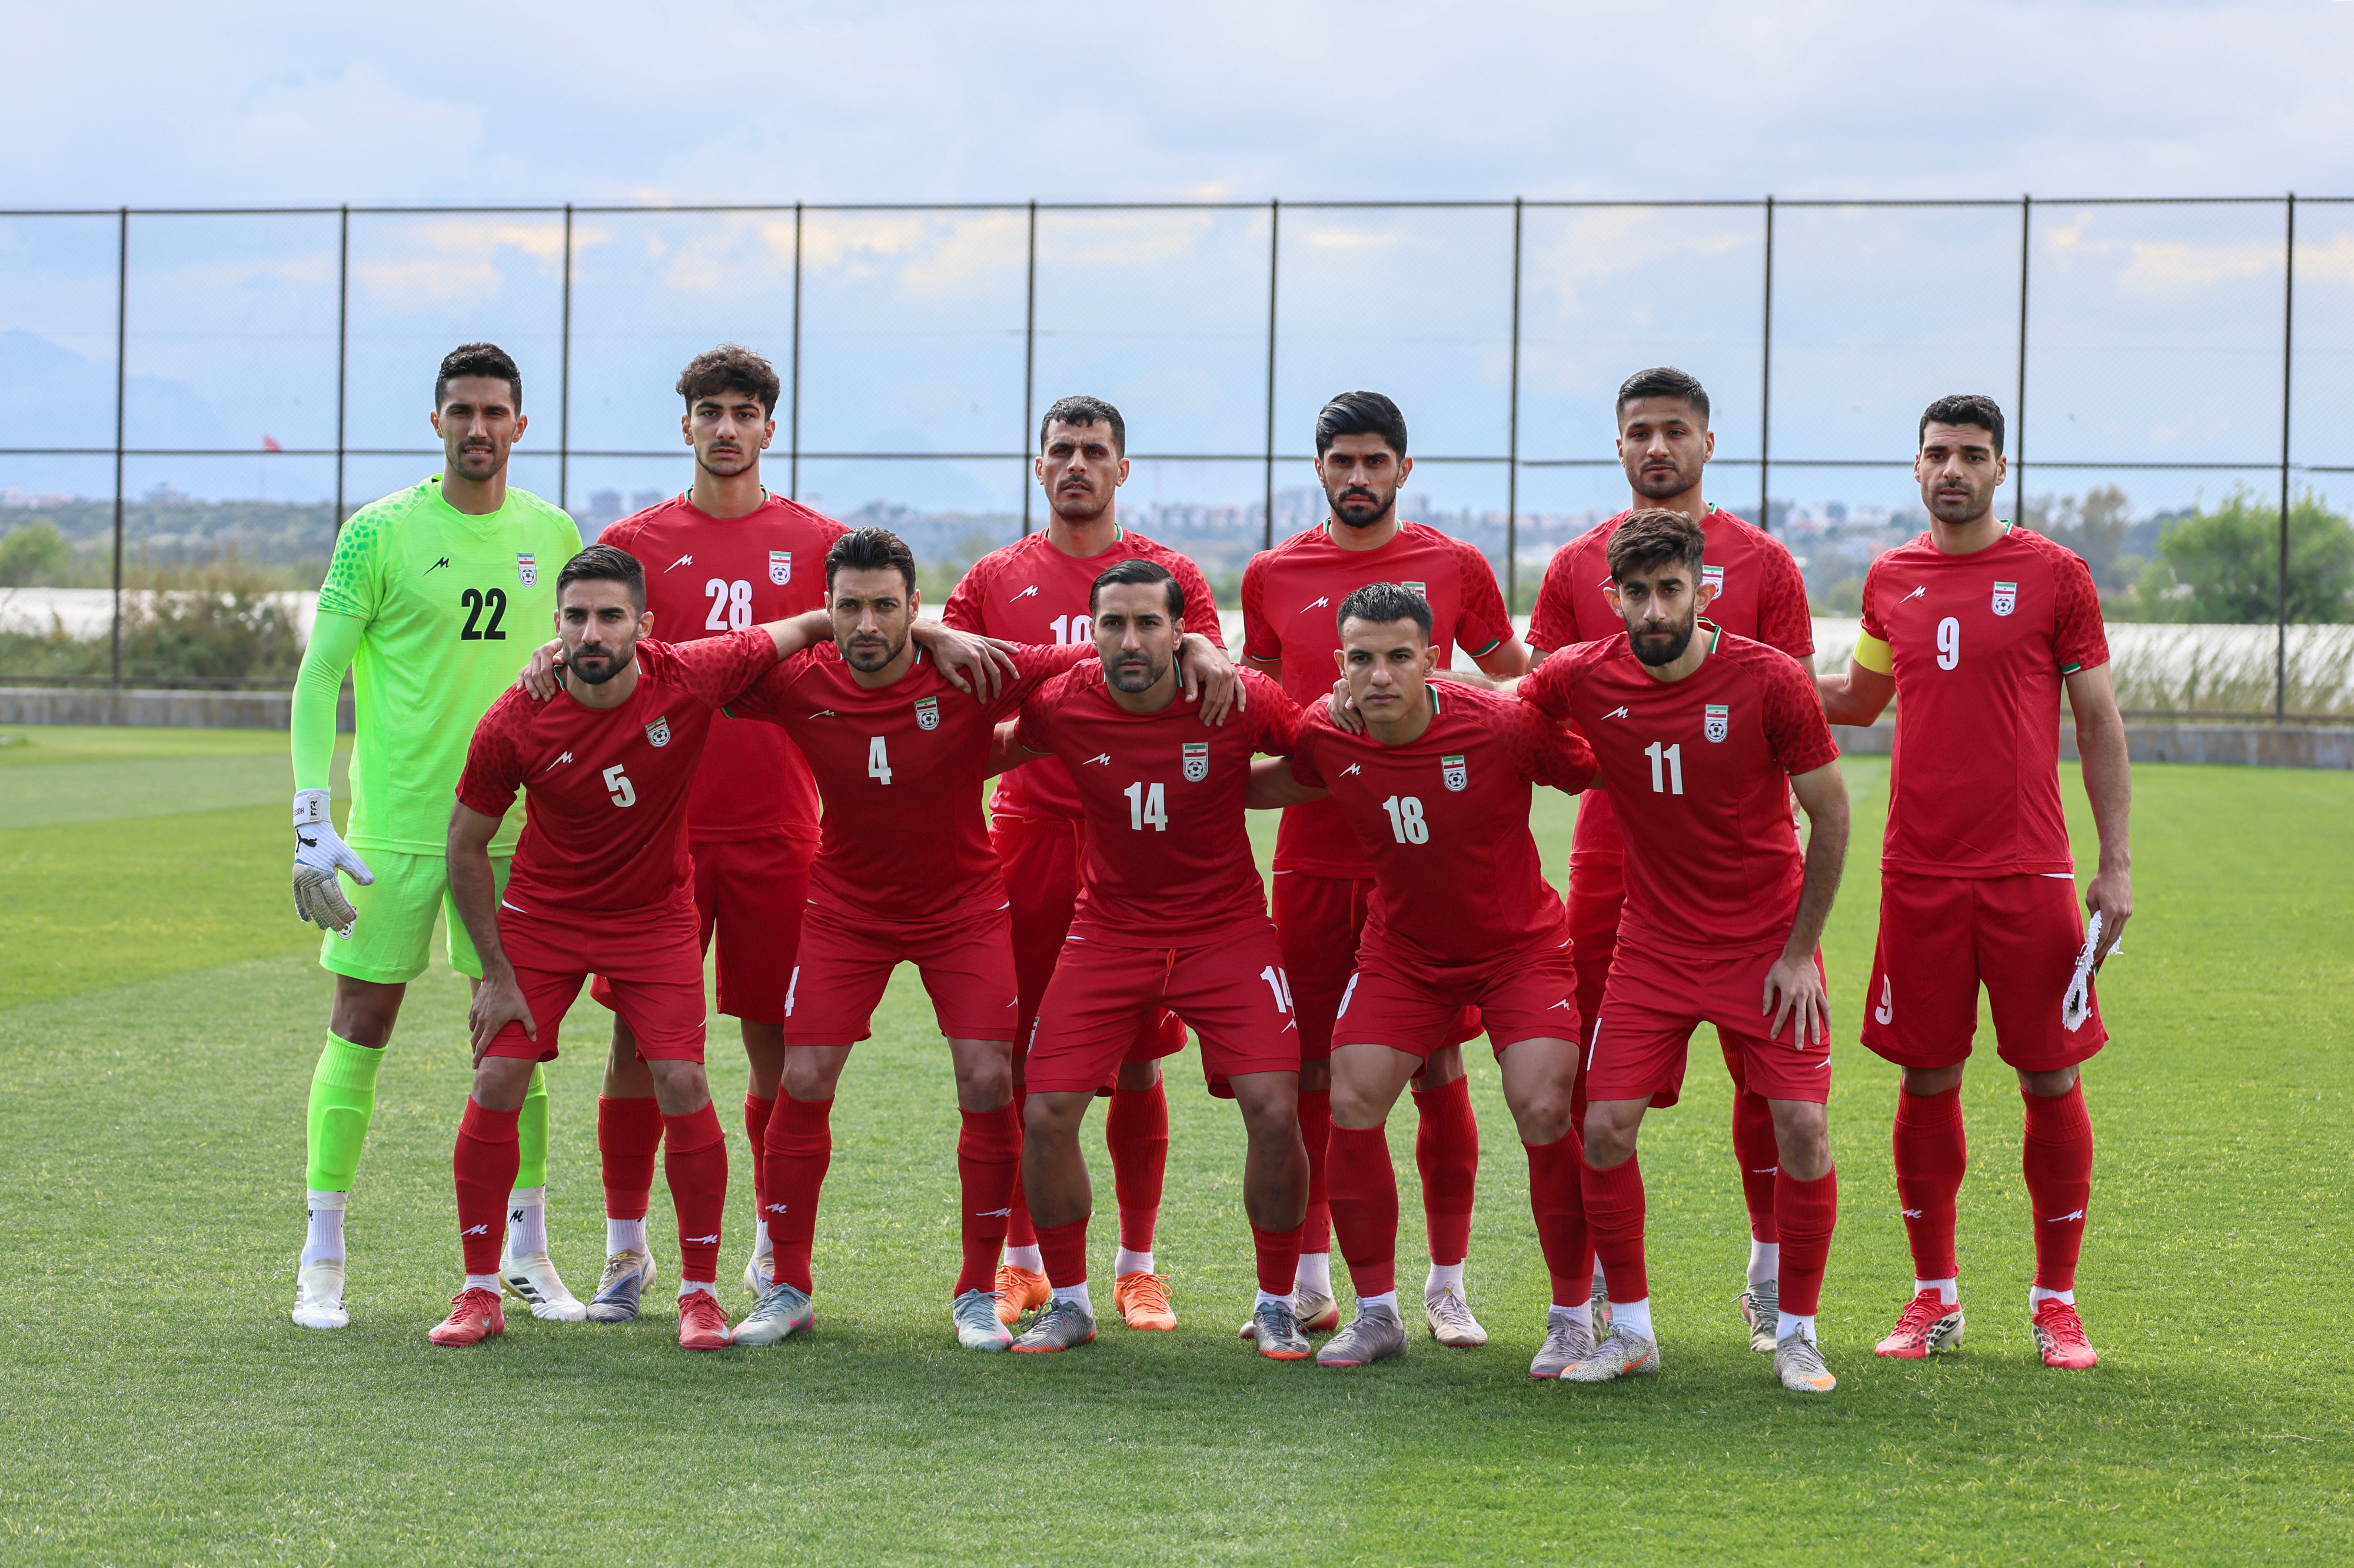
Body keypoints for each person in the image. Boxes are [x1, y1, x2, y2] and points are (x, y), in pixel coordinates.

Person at [716, 528, 1234, 1352]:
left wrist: (1200, 643)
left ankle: (974, 1291)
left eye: (887, 606)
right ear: (826, 609)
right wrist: (819, 629)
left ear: (914, 606)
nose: (867, 624)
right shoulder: (800, 680)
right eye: (847, 606)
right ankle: (787, 1285)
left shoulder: (970, 669)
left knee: (991, 1077)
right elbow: (706, 666)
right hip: (845, 906)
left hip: (962, 903)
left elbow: (1089, 656)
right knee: (803, 1074)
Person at [434, 545, 832, 1350]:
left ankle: (697, 1291)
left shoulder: (688, 673)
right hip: (545, 914)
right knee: (500, 1068)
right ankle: (479, 1287)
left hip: (653, 915)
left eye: (611, 615)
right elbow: (464, 846)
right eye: (576, 616)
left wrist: (929, 637)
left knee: (682, 1077)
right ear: (555, 627)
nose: (592, 630)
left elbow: (812, 624)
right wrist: (495, 975)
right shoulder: (515, 718)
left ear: (643, 625)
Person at [1817, 395, 2130, 1371]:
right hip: (1919, 870)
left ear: (2003, 469)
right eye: (1937, 454)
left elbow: (2099, 721)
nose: (1952, 468)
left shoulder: (2054, 576)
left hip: (2031, 870)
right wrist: (1739, 661)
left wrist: (2114, 862)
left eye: (1971, 454)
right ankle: (1934, 1298)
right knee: (1927, 1074)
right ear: (1916, 470)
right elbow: (1861, 702)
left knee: (2049, 1073)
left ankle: (2056, 1302)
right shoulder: (1890, 579)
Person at [285, 342, 586, 1331]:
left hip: (510, 834)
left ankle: (528, 1250)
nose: (478, 428)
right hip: (394, 834)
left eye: (496, 412)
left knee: (515, 1035)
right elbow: (319, 673)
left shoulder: (554, 532)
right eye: (461, 410)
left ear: (521, 426)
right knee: (360, 1024)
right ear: (437, 421)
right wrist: (310, 814)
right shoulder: (379, 533)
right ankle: (323, 1249)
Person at [1516, 509, 1850, 1394]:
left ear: (1703, 592)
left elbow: (1834, 813)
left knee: (1804, 1129)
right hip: (1654, 949)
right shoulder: (1586, 673)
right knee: (1604, 1127)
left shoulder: (1771, 679)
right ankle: (1630, 1331)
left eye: (1672, 590)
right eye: (1638, 593)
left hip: (1766, 947)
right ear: (1613, 599)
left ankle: (1798, 1333)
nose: (1656, 608)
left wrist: (1800, 951)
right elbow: (1508, 713)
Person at [1238, 391, 1530, 1348]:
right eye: (1340, 461)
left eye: (1375, 461)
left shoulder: (1456, 565)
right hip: (1318, 864)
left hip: (1427, 866)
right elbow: (1269, 714)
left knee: (1440, 1065)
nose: (1357, 477)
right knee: (1321, 1069)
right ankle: (1319, 1282)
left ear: (1405, 468)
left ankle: (1447, 1284)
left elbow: (1514, 684)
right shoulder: (1273, 574)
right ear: (1317, 469)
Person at [1250, 582, 1595, 1373]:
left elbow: (1600, 772)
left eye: (1399, 656)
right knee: (1351, 1093)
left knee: (1543, 1104)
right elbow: (1273, 778)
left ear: (1432, 661)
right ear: (1340, 665)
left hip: (1519, 949)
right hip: (1404, 952)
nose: (1380, 675)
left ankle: (1573, 1315)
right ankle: (1377, 1315)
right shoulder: (1326, 734)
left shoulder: (1504, 726)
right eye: (1363, 659)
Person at [942, 395, 1226, 1333]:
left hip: (1139, 844)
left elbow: (1209, 675)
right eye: (1060, 449)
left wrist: (1195, 646)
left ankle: (1139, 1267)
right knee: (1024, 1061)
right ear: (1038, 468)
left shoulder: (1169, 572)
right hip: (1027, 838)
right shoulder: (993, 577)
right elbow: (955, 699)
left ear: (1122, 467)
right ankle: (1021, 1262)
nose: (1076, 463)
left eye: (1094, 450)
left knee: (1140, 1063)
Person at [583, 344, 847, 1320]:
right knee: (638, 1042)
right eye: (710, 412)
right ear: (684, 424)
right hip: (659, 837)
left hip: (782, 832)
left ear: (770, 429)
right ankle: (626, 1251)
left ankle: (776, 1247)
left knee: (776, 1044)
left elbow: (876, 634)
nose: (727, 428)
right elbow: (592, 656)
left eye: (744, 412)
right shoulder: (634, 542)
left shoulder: (820, 542)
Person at [996, 560, 1311, 1357]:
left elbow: (1320, 752)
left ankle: (1278, 1301)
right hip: (1108, 932)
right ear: (1091, 631)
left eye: (1147, 623)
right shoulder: (1064, 700)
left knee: (1276, 1110)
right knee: (1045, 1111)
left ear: (1183, 631)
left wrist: (1246, 784)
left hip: (1226, 930)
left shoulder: (1235, 695)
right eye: (1113, 624)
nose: (1130, 640)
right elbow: (982, 739)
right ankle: (1068, 1301)